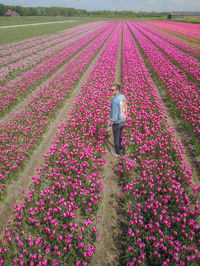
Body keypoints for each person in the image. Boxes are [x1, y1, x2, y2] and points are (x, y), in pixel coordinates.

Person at [107, 83, 127, 157]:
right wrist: (123, 118)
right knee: (120, 136)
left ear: (117, 90)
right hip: (123, 120)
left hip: (117, 122)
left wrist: (110, 125)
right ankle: (121, 149)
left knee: (116, 137)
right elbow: (124, 109)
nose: (111, 92)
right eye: (110, 90)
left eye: (112, 90)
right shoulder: (123, 96)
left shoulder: (114, 100)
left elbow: (114, 115)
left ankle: (117, 152)